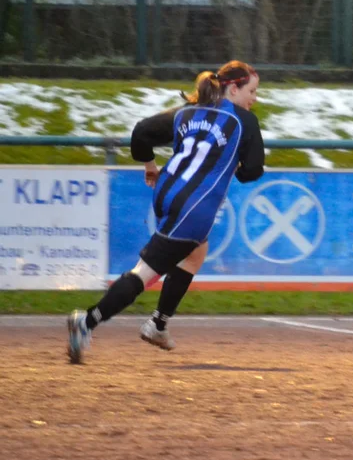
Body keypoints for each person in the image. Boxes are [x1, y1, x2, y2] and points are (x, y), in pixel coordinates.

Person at [67, 60, 265, 363]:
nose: (254, 98)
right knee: (145, 273)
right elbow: (253, 171)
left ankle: (158, 324)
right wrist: (233, 164)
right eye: (252, 91)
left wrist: (150, 167)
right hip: (194, 209)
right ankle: (87, 321)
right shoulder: (244, 121)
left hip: (166, 195)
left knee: (195, 253)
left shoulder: (187, 112)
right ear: (233, 89)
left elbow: (141, 132)